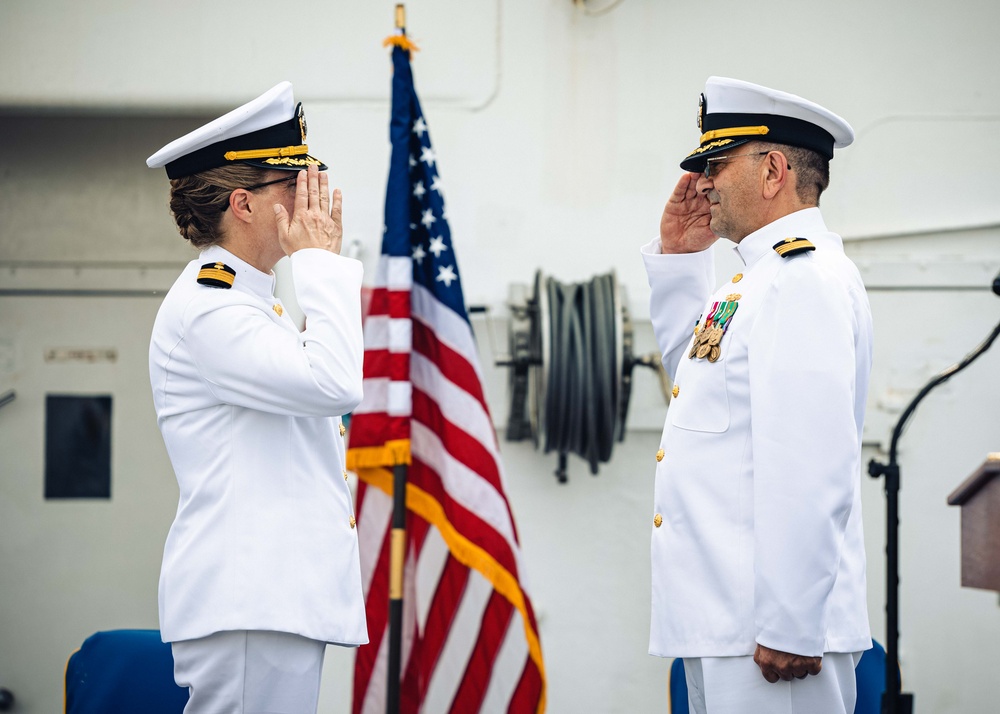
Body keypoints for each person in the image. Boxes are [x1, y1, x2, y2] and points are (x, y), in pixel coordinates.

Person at [641, 76, 873, 714]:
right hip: (731, 619)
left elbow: (810, 458)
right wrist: (681, 260)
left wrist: (793, 621)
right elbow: (697, 387)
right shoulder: (756, 281)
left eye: (717, 163)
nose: (704, 181)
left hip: (772, 632)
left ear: (773, 169)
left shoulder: (804, 278)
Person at [145, 82, 367, 714]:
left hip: (271, 595)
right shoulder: (210, 308)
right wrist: (322, 264)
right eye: (294, 186)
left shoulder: (247, 300)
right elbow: (334, 384)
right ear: (243, 204)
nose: (313, 200)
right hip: (250, 597)